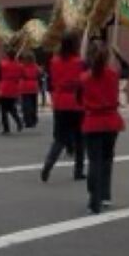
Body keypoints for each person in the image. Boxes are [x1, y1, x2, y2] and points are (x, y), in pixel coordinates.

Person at [80, 41, 129, 214]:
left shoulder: (84, 78)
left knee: (94, 161)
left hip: (93, 121)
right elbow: (128, 70)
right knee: (107, 160)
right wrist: (119, 55)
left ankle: (94, 198)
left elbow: (78, 98)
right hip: (111, 121)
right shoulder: (113, 75)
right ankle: (105, 195)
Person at [42, 33, 86, 182]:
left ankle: (49, 163)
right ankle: (78, 171)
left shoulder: (54, 61)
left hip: (60, 101)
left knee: (59, 138)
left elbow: (51, 81)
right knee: (80, 139)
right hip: (76, 102)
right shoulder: (80, 62)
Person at [0, 52, 24, 135]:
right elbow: (22, 75)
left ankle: (7, 128)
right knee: (11, 107)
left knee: (3, 109)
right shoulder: (19, 65)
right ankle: (19, 121)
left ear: (7, 56)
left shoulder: (2, 64)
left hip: (4, 88)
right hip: (14, 88)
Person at [19, 52, 40, 128]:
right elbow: (39, 74)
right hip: (34, 86)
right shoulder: (36, 66)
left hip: (25, 87)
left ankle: (28, 121)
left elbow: (19, 75)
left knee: (26, 105)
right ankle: (34, 119)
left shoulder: (22, 67)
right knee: (34, 105)